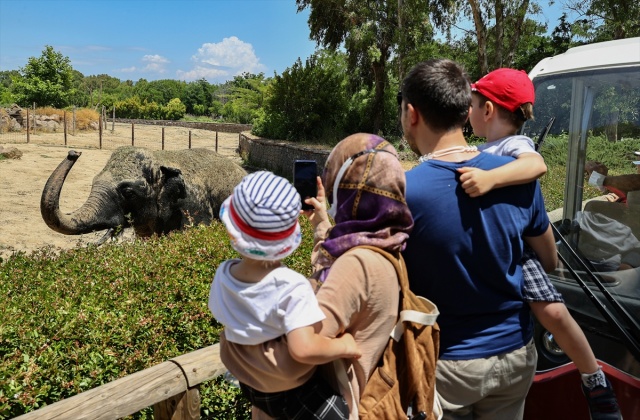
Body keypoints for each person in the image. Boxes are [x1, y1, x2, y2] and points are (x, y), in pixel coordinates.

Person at [399, 59, 558, 419]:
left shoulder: (407, 192)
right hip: (515, 356)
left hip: (447, 363)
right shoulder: (518, 178)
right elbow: (549, 261)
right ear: (462, 109)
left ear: (412, 114)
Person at [460, 67, 622, 419]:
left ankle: (594, 380)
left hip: (520, 252)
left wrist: (489, 178)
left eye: (471, 105)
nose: (467, 113)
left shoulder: (513, 145)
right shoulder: (479, 147)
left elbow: (536, 166)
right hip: (495, 248)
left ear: (488, 110)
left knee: (552, 311)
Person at [217, 134, 414, 419]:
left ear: (346, 189)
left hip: (327, 406)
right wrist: (323, 226)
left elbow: (300, 345)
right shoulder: (390, 245)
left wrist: (235, 350)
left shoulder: (356, 264)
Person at [208, 170, 362, 419]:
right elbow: (304, 349)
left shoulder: (224, 275)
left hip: (251, 385)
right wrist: (343, 345)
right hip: (291, 390)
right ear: (289, 240)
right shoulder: (291, 286)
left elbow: (221, 313)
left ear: (231, 231)